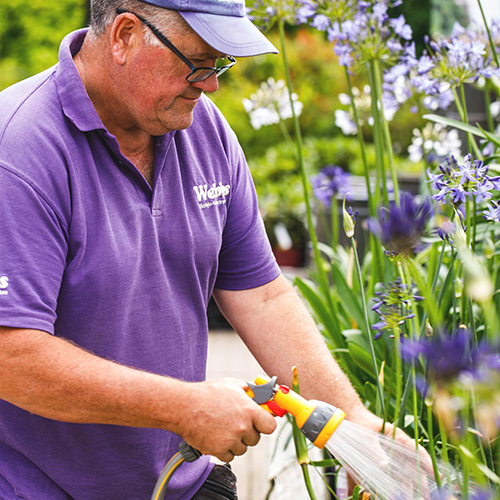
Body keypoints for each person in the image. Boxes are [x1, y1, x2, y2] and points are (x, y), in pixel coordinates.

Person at [0, 1, 422, 499]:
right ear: (124, 36)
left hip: (182, 481)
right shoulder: (21, 151)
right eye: (198, 62)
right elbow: (12, 356)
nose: (212, 84)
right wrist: (182, 406)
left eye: (220, 64)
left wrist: (354, 423)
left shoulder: (203, 130)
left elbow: (262, 294)